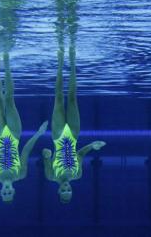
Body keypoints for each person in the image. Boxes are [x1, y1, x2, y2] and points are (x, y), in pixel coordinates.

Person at [0, 53, 48, 203]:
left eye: (4, 193)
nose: (7, 191)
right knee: (10, 99)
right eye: (9, 193)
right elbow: (26, 150)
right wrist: (38, 134)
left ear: (0, 192)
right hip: (14, 134)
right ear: (13, 190)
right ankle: (6, 63)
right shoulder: (21, 174)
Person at [42, 47, 105, 203]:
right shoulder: (77, 175)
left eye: (63, 190)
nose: (66, 187)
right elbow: (81, 154)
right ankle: (72, 59)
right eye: (68, 190)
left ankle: (60, 61)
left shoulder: (51, 176)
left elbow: (44, 154)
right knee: (72, 98)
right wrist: (92, 145)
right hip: (74, 134)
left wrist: (46, 154)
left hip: (57, 135)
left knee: (58, 98)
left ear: (58, 190)